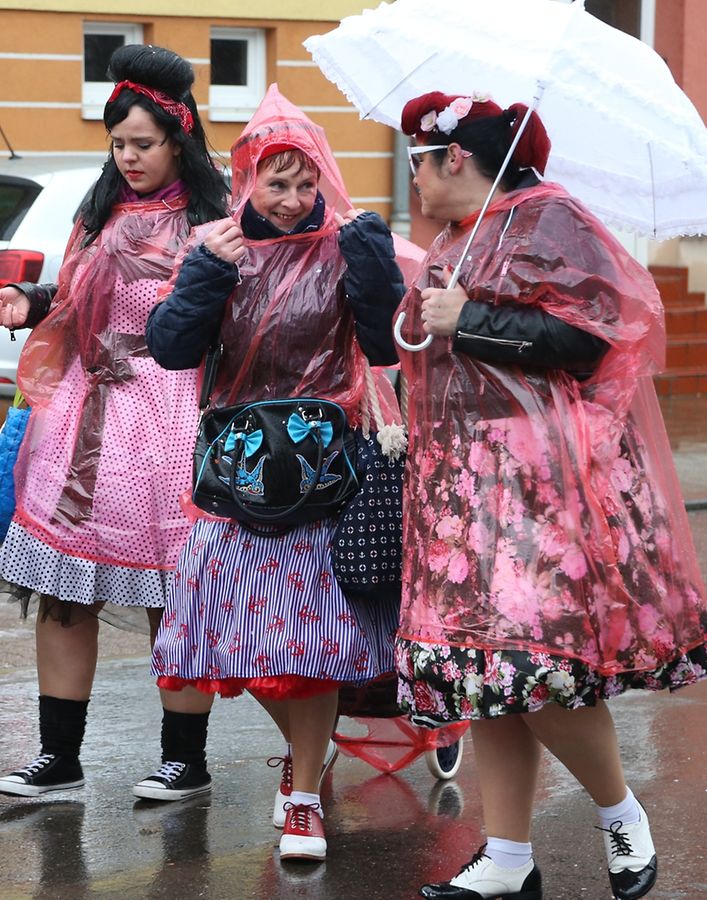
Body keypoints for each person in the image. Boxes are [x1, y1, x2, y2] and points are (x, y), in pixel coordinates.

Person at [393, 91, 707, 900]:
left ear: (453, 157)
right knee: (482, 671)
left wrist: (470, 318)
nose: (415, 182)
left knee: (538, 666)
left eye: (417, 164)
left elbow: (592, 336)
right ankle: (505, 856)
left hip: (539, 483)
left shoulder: (549, 220)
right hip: (459, 480)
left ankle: (618, 815)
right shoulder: (458, 239)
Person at [136, 84, 404, 862]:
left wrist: (374, 268)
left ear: (323, 177)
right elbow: (172, 349)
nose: (290, 200)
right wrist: (201, 279)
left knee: (311, 649)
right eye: (274, 182)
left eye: (304, 181)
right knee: (233, 641)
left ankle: (304, 798)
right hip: (236, 473)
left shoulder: (344, 241)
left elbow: (384, 346)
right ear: (246, 178)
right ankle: (304, 760)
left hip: (323, 469)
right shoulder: (216, 247)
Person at [0, 44, 228, 797]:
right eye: (118, 144)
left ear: (179, 140)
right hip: (83, 413)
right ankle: (59, 757)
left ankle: (182, 760)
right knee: (66, 591)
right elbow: (74, 301)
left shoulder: (212, 223)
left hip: (168, 415)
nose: (128, 157)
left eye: (143, 144)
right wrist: (29, 306)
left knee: (173, 592)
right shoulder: (97, 212)